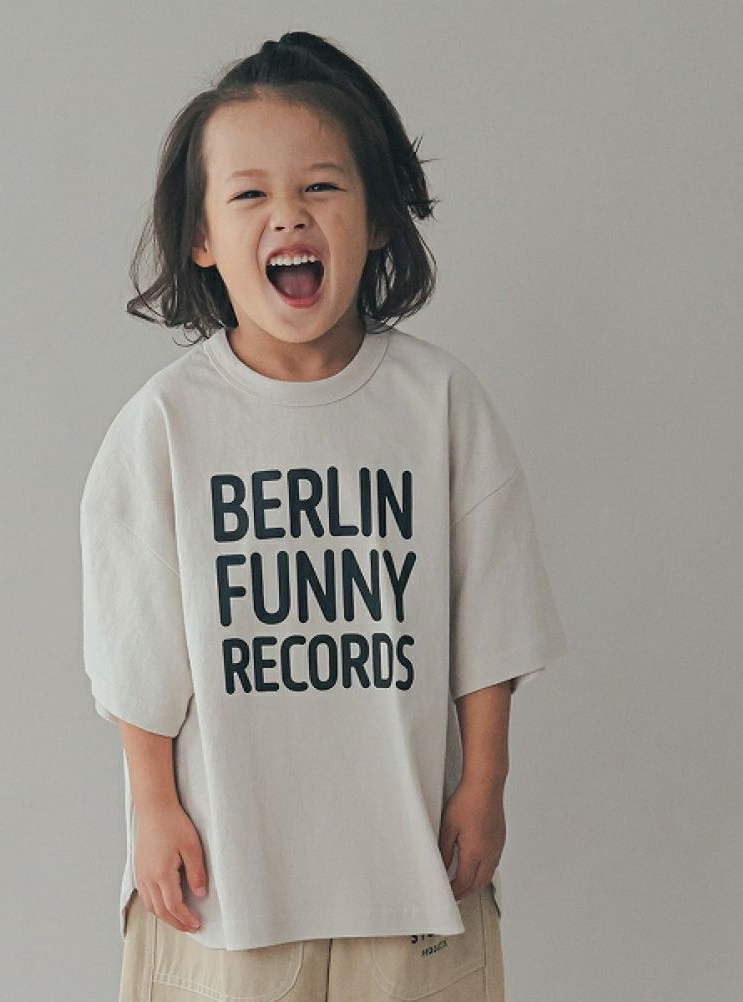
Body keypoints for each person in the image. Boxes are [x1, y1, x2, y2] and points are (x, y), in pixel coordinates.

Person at [79, 30, 568, 1002]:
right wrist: (152, 806)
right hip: (226, 879)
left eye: (321, 187)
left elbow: (494, 620)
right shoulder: (167, 425)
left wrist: (485, 785)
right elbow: (136, 645)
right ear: (202, 237)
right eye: (249, 195)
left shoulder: (439, 405)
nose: (289, 214)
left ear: (377, 219)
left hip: (412, 870)